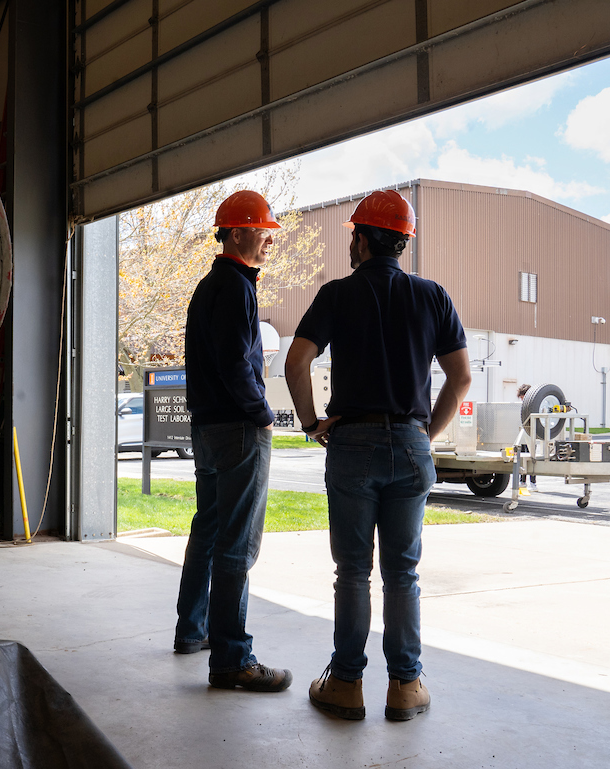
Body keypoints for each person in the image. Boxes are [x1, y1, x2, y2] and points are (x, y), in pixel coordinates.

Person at [284, 190, 471, 720]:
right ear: (402, 243)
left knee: (352, 571)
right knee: (402, 573)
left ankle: (345, 685)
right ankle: (405, 686)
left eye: (353, 235)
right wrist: (423, 435)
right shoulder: (433, 296)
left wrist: (311, 424)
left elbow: (296, 362)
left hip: (352, 445)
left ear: (364, 240)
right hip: (410, 442)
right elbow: (460, 378)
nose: (350, 244)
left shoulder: (337, 295)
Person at [174, 190, 292, 693]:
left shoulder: (209, 286)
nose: (270, 240)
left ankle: (193, 630)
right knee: (237, 544)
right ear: (238, 232)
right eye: (263, 231)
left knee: (209, 528)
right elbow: (235, 363)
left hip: (207, 427)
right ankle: (232, 659)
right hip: (237, 430)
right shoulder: (236, 287)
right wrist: (262, 415)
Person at [516, 384, 538, 492]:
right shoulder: (524, 406)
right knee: (523, 458)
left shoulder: (533, 406)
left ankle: (533, 483)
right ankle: (523, 481)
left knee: (532, 458)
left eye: (522, 397)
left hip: (532, 435)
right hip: (525, 434)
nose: (522, 400)